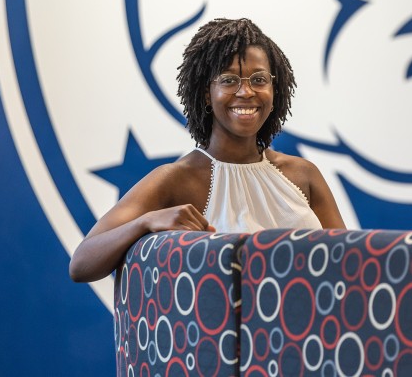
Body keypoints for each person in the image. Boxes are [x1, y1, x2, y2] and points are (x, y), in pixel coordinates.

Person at [69, 18, 346, 282]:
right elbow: (82, 264)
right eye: (229, 80)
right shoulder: (176, 178)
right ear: (206, 94)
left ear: (275, 90)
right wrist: (146, 222)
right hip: (229, 333)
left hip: (310, 330)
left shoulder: (303, 175)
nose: (246, 91)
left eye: (259, 79)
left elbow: (347, 263)